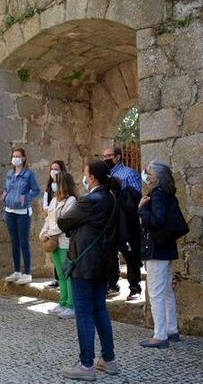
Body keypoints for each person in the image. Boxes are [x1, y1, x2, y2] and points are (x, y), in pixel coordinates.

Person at [57, 160, 120, 380]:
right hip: (103, 263)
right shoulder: (111, 199)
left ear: (92, 177)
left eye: (85, 174)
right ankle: (108, 359)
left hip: (84, 264)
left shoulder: (90, 200)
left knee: (83, 313)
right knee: (99, 310)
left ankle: (86, 365)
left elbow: (64, 221)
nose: (84, 178)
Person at [138, 160, 181, 348]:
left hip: (156, 249)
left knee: (155, 293)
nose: (145, 175)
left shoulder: (157, 195)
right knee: (166, 292)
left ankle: (160, 335)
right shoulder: (168, 193)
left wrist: (141, 209)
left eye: (147, 172)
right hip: (166, 247)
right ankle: (171, 330)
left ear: (155, 177)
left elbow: (156, 221)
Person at [103, 146, 143, 300]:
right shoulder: (104, 175)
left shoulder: (129, 173)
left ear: (118, 156)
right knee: (110, 252)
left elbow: (136, 195)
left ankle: (135, 288)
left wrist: (120, 189)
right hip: (110, 219)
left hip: (126, 219)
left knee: (131, 254)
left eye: (109, 156)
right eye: (104, 156)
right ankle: (113, 285)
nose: (106, 158)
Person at [39, 172, 77, 319]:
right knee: (60, 274)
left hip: (64, 242)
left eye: (56, 182)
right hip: (53, 241)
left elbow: (65, 222)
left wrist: (50, 233)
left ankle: (71, 305)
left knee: (68, 274)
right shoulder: (54, 200)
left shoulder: (71, 201)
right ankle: (62, 302)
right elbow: (48, 219)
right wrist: (43, 233)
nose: (53, 185)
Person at [0, 147, 41, 285]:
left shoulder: (29, 175)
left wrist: (26, 198)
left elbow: (36, 190)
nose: (15, 158)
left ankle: (27, 273)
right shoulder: (9, 174)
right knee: (14, 242)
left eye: (18, 156)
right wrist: (5, 195)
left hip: (23, 213)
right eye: (13, 156)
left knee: (24, 242)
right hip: (10, 211)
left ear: (23, 159)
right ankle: (17, 271)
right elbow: (7, 188)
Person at [42, 160, 68, 289]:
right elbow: (45, 210)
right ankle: (58, 283)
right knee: (57, 262)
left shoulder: (70, 199)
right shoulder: (50, 190)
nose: (53, 171)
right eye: (52, 168)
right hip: (52, 229)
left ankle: (68, 302)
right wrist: (45, 233)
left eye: (56, 169)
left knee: (65, 268)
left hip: (62, 234)